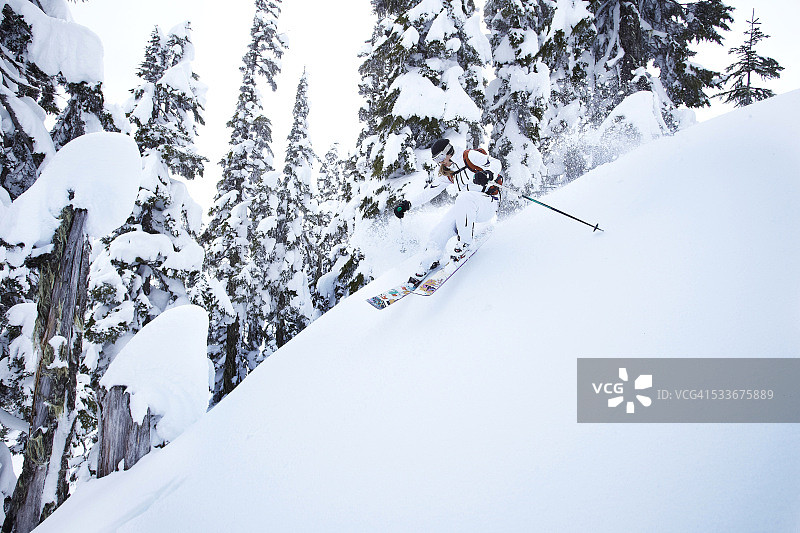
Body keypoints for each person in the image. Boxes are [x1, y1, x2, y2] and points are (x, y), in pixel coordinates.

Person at [393, 138, 504, 285]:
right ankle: (428, 261)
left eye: (440, 158)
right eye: (435, 160)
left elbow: (496, 164)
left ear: (448, 152)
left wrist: (487, 174)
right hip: (467, 208)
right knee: (440, 229)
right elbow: (429, 192)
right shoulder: (449, 173)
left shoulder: (469, 156)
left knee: (463, 198)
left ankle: (465, 243)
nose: (440, 162)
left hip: (488, 203)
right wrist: (408, 204)